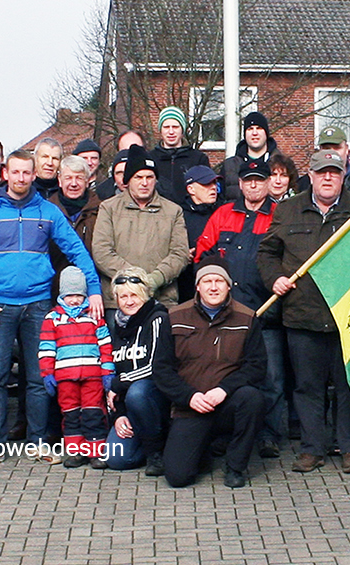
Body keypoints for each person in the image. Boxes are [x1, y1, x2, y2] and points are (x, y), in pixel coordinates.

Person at [0, 150, 104, 467]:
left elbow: (78, 252)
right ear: (5, 173)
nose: (22, 178)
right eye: (16, 172)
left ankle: (38, 444)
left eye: (28, 173)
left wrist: (93, 289)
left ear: (34, 173)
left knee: (39, 380)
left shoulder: (48, 212)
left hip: (39, 304)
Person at [261, 150, 350, 475]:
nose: (328, 178)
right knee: (307, 387)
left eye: (334, 172)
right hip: (302, 315)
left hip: (348, 316)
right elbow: (267, 251)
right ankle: (312, 449)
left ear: (343, 175)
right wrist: (275, 278)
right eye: (322, 172)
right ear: (310, 174)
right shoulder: (288, 210)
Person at [192, 159, 284, 458]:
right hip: (227, 316)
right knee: (224, 375)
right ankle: (227, 433)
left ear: (269, 183)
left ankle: (269, 435)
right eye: (248, 180)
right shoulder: (222, 214)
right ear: (240, 184)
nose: (254, 185)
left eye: (259, 179)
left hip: (266, 312)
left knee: (271, 378)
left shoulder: (280, 217)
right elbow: (203, 257)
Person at [158, 258, 270, 488]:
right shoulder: (174, 317)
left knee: (253, 398)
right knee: (178, 477)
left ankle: (236, 466)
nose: (213, 286)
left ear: (229, 286)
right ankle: (205, 449)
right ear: (197, 286)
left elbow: (256, 366)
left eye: (219, 281)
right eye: (207, 281)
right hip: (191, 406)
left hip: (228, 402)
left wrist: (224, 390)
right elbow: (161, 369)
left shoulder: (247, 318)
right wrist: (189, 397)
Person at [91, 145, 190, 305]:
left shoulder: (173, 211)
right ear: (128, 180)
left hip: (161, 298)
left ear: (156, 180)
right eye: (138, 177)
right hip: (119, 300)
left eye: (149, 177)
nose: (144, 183)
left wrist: (154, 279)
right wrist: (134, 279)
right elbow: (101, 251)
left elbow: (180, 253)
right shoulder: (108, 208)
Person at [38, 266, 115, 469]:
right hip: (65, 377)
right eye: (69, 295)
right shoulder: (52, 318)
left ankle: (96, 452)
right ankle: (75, 452)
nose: (74, 300)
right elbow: (46, 348)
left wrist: (108, 372)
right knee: (70, 414)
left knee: (93, 413)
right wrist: (47, 374)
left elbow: (105, 346)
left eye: (79, 295)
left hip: (92, 376)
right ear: (62, 295)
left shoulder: (94, 317)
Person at [100, 268, 173, 474]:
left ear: (145, 294)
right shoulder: (116, 325)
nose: (129, 301)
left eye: (134, 295)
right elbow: (111, 370)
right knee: (116, 459)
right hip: (130, 404)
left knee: (138, 391)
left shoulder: (157, 318)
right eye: (123, 296)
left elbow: (154, 366)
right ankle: (148, 440)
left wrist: (118, 384)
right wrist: (119, 415)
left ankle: (156, 451)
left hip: (155, 398)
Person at [47, 155, 103, 263]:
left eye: (79, 178)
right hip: (55, 277)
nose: (73, 184)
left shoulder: (100, 211)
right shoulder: (47, 211)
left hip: (91, 276)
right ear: (59, 180)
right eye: (68, 178)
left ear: (87, 182)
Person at [149, 107, 211, 199]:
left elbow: (206, 190)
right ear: (160, 130)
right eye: (166, 127)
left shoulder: (198, 159)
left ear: (182, 129)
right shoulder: (150, 158)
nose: (171, 132)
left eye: (175, 127)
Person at [217, 111, 275, 196]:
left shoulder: (281, 164)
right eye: (250, 129)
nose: (254, 133)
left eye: (259, 128)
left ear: (266, 133)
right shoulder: (229, 166)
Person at [178, 166, 223, 247]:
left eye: (215, 183)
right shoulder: (179, 216)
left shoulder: (223, 212)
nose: (213, 187)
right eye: (207, 184)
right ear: (191, 189)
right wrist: (184, 253)